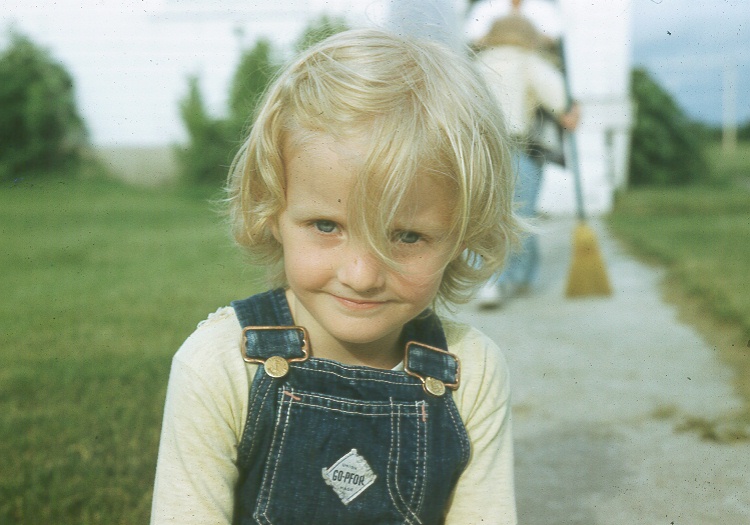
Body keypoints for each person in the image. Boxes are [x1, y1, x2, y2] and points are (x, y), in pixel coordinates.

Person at [150, 29, 522, 524]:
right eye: (327, 226)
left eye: (407, 236)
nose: (362, 276)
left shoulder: (469, 372)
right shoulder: (221, 365)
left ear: (463, 235)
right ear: (271, 210)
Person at [473, 9, 579, 308]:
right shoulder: (530, 62)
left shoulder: (477, 64)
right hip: (520, 147)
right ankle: (519, 277)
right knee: (522, 215)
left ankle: (492, 280)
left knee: (489, 215)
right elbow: (560, 101)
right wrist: (570, 113)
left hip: (482, 149)